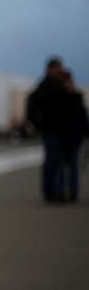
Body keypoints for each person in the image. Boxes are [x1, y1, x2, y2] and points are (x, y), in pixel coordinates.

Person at [27, 57, 67, 202]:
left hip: (60, 130)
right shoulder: (45, 87)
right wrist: (38, 122)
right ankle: (50, 192)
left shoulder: (59, 85)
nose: (59, 70)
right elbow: (32, 104)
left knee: (58, 162)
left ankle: (57, 191)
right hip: (51, 129)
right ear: (51, 68)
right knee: (52, 161)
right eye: (57, 68)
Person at [60, 70, 87, 202]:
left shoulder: (77, 98)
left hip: (74, 137)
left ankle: (72, 192)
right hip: (62, 136)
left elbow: (82, 118)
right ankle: (61, 191)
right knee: (62, 167)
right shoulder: (58, 98)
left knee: (72, 166)